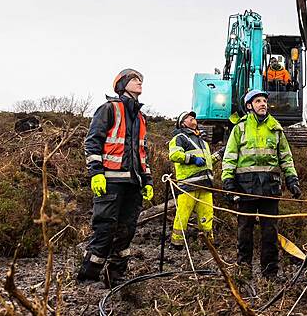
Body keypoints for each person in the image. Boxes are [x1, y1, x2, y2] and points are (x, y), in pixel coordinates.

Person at [77, 68, 154, 286]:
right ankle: (88, 277)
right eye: (134, 79)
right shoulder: (109, 109)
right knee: (104, 229)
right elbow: (92, 142)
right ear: (121, 85)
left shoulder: (140, 117)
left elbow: (142, 152)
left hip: (133, 184)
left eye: (141, 79)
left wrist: (147, 180)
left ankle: (116, 277)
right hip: (110, 181)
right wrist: (96, 174)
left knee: (126, 232)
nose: (140, 82)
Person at [222, 89, 301, 280]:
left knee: (270, 232)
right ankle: (244, 271)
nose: (263, 104)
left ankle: (270, 273)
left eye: (264, 100)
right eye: (258, 101)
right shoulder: (239, 128)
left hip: (270, 189)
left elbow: (286, 158)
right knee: (244, 231)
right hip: (245, 188)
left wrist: (292, 180)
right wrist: (228, 182)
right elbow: (230, 157)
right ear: (249, 106)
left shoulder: (276, 128)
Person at [168, 110, 215, 249]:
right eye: (189, 117)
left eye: (194, 117)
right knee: (183, 214)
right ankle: (176, 243)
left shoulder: (202, 141)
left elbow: (207, 161)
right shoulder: (180, 137)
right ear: (182, 123)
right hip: (188, 184)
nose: (193, 119)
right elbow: (174, 155)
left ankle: (208, 244)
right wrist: (192, 159)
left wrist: (219, 155)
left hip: (205, 184)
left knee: (207, 214)